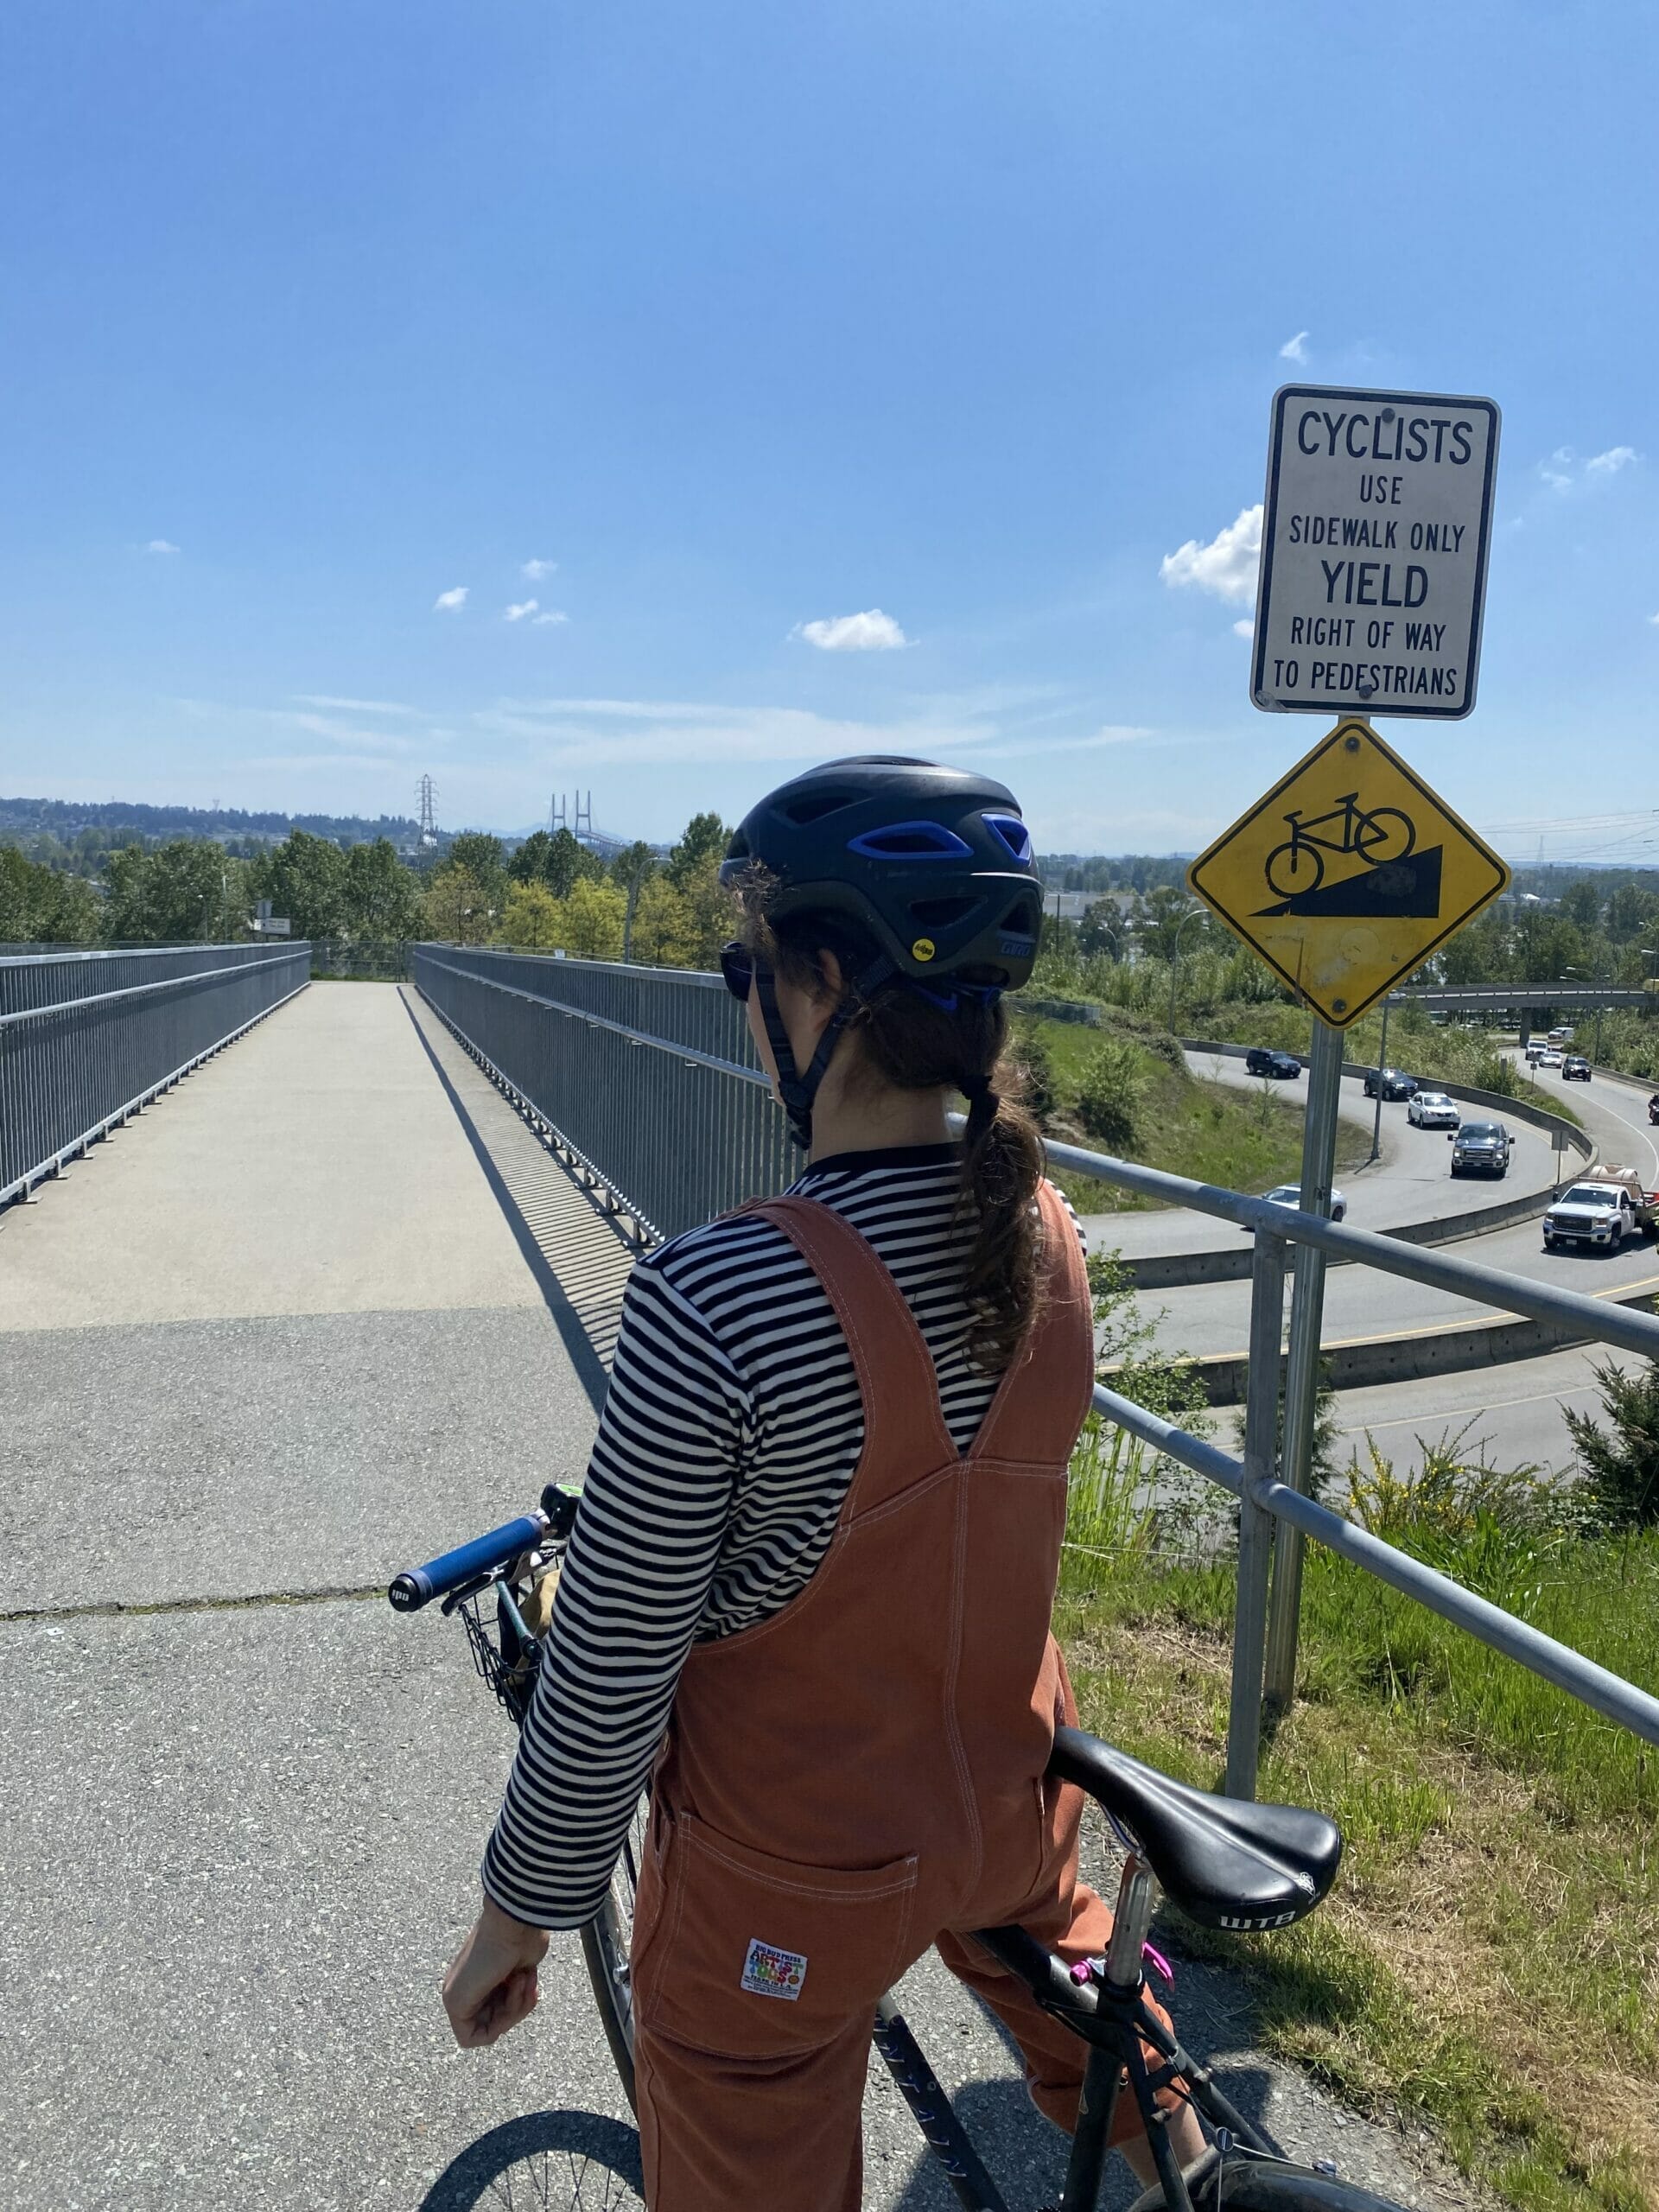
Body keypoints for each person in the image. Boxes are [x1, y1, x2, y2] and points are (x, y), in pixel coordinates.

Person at [441, 755, 1204, 2209]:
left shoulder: (712, 1296)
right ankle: (1197, 2161)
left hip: (787, 1886)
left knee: (741, 2102)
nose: (740, 998)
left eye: (747, 967)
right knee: (1117, 2060)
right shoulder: (1044, 1231)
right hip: (1005, 1816)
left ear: (821, 987)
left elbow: (613, 1664)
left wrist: (519, 1916)